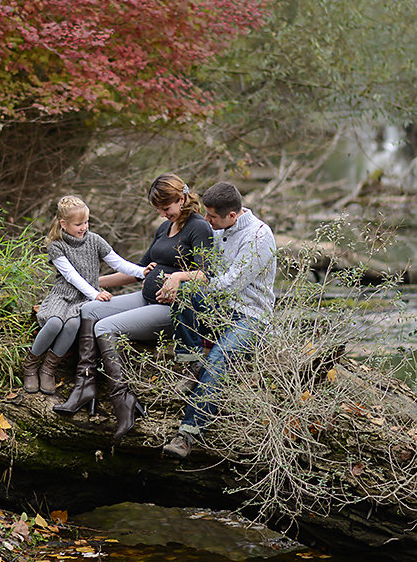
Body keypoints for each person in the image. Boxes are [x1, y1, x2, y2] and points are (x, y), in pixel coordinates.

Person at [55, 173, 213, 443]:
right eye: (159, 210)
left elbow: (206, 274)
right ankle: (85, 386)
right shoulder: (164, 228)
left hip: (172, 309)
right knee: (89, 310)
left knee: (105, 327)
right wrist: (86, 283)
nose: (163, 214)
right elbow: (138, 272)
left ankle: (123, 399)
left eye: (166, 208)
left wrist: (176, 277)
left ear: (182, 198)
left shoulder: (199, 228)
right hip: (146, 297)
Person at [157, 181, 276, 460]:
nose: (205, 220)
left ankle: (187, 434)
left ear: (232, 215)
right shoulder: (217, 227)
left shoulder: (258, 236)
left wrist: (187, 280)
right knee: (184, 295)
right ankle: (192, 366)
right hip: (219, 308)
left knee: (220, 358)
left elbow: (230, 284)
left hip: (250, 315)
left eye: (211, 216)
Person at [24, 195, 148, 395]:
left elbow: (117, 262)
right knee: (55, 322)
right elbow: (72, 276)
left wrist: (141, 272)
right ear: (63, 224)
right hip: (63, 295)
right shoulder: (56, 245)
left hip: (84, 298)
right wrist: (95, 294)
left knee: (72, 325)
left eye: (86, 222)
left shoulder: (94, 240)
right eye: (78, 224)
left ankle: (49, 368)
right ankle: (30, 365)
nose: (84, 227)